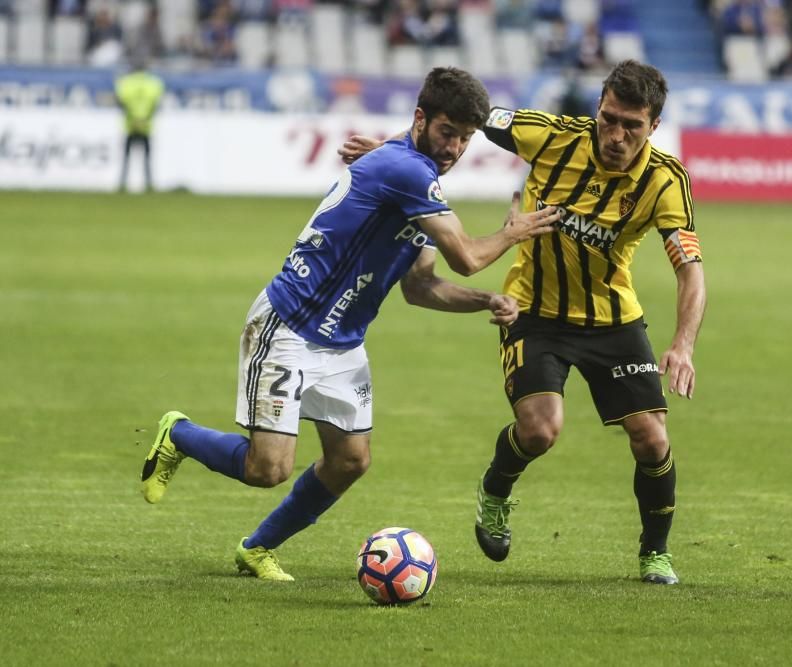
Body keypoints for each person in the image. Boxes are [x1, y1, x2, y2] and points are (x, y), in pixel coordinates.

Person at [140, 67, 559, 582]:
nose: (454, 148)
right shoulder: (407, 172)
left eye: (466, 139)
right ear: (421, 118)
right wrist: (512, 233)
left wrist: (484, 301)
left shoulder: (413, 178)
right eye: (448, 133)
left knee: (350, 461)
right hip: (289, 326)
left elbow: (419, 286)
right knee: (266, 469)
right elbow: (468, 256)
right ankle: (178, 434)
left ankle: (256, 548)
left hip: (342, 345)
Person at [339, 60, 707, 585]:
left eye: (632, 125)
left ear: (654, 127)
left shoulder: (665, 181)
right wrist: (391, 153)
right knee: (540, 430)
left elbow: (691, 271)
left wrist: (684, 345)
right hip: (533, 311)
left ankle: (655, 552)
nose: (616, 134)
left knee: (651, 438)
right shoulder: (550, 136)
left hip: (611, 319)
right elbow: (462, 114)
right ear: (597, 106)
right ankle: (496, 489)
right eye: (608, 118)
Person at [114, 60, 164, 192]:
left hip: (130, 125)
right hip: (146, 126)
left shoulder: (125, 82)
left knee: (126, 157)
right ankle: (149, 184)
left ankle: (122, 184)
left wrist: (133, 119)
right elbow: (156, 105)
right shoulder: (154, 83)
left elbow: (120, 103)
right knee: (147, 158)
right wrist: (144, 119)